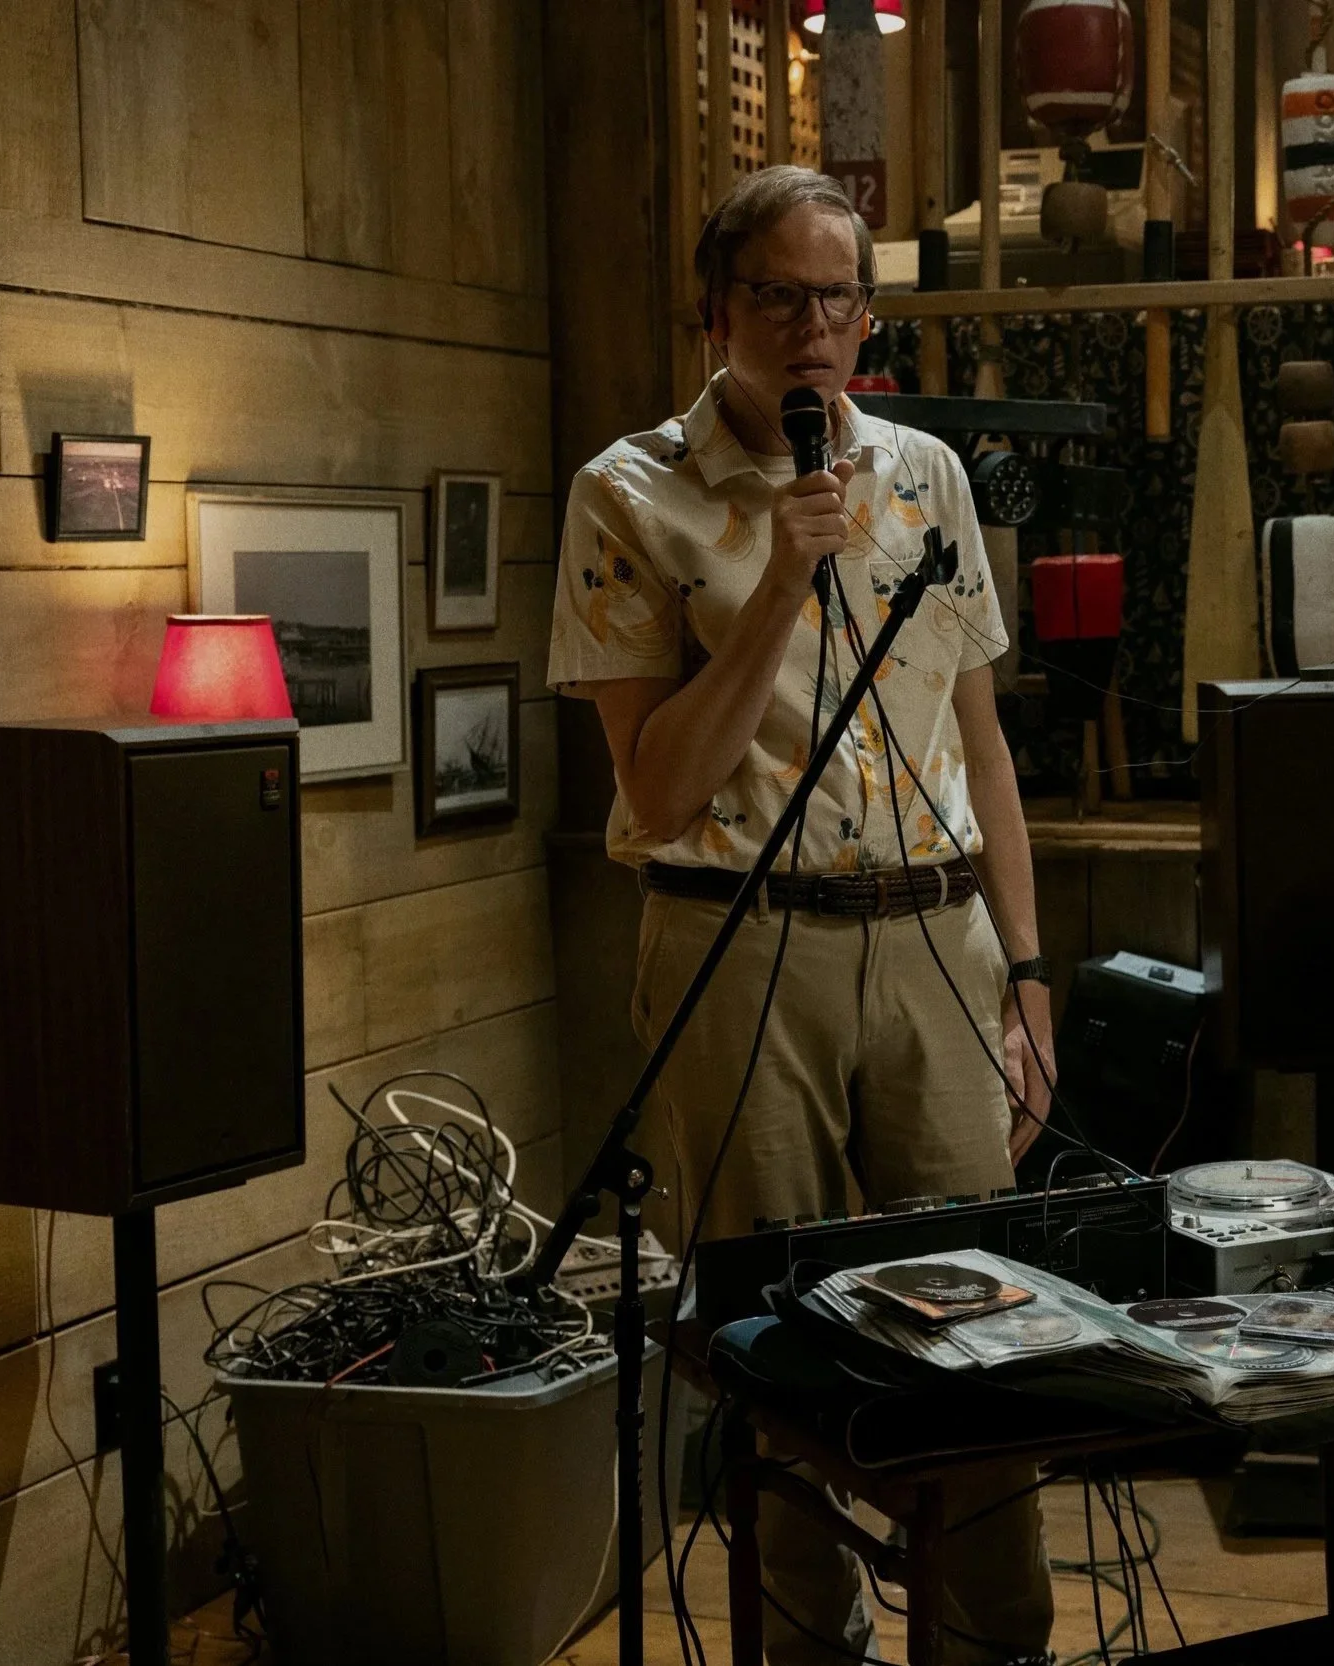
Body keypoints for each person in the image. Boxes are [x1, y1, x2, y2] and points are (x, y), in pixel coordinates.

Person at [547, 164, 1055, 1666]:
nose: (812, 329)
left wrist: (1029, 978)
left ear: (868, 320)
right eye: (778, 296)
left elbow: (982, 750)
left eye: (838, 299)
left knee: (983, 1330)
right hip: (738, 938)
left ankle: (994, 1644)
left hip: (937, 938)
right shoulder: (629, 493)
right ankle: (807, 1646)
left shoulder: (928, 477)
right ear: (717, 312)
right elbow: (655, 789)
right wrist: (779, 575)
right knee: (783, 1343)